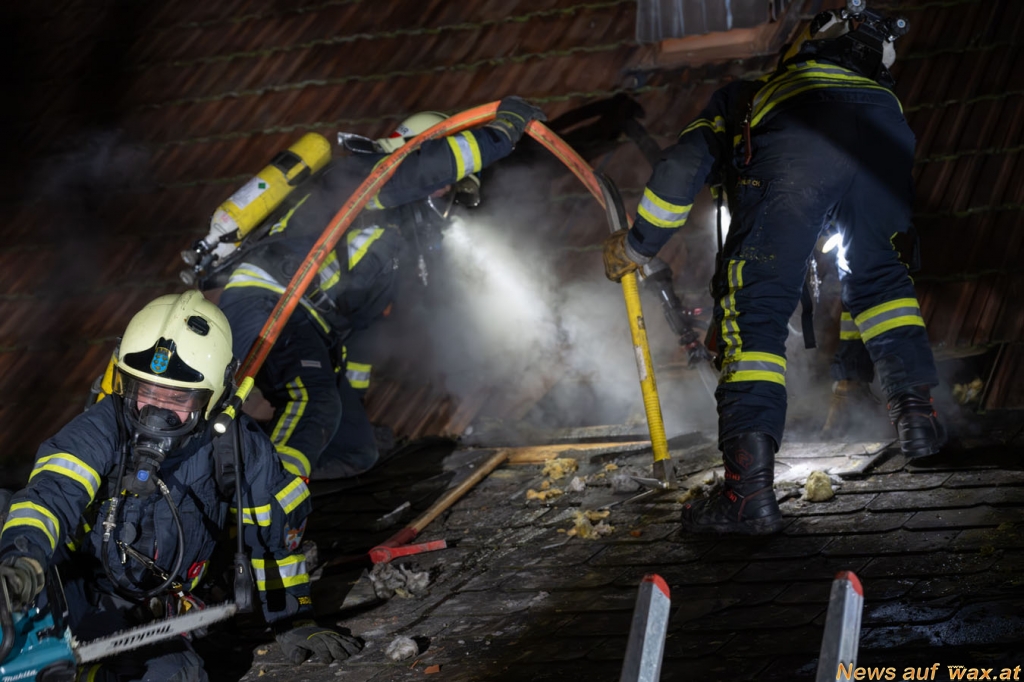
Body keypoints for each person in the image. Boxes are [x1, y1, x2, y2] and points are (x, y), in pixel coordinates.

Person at [602, 6, 944, 534]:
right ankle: (918, 422)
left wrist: (638, 245)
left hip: (799, 137)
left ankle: (747, 496)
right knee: (880, 279)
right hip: (888, 134)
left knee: (755, 310)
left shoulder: (753, 96)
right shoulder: (881, 95)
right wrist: (849, 375)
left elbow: (681, 166)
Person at [0, 291, 361, 681]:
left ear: (214, 396)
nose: (156, 413)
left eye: (177, 398)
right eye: (146, 392)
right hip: (71, 588)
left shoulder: (236, 447)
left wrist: (292, 618)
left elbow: (271, 536)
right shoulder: (101, 428)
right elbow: (49, 499)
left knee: (178, 676)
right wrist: (21, 565)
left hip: (147, 619)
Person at [217, 96, 546, 481]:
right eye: (443, 188)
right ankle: (263, 497)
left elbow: (362, 334)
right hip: (270, 299)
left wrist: (351, 402)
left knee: (354, 449)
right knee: (311, 401)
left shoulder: (389, 241)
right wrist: (500, 133)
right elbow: (423, 172)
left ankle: (249, 469)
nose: (444, 197)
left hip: (308, 324)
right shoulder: (365, 174)